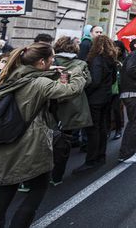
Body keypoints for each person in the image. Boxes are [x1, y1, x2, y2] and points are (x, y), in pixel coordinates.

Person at [0, 42, 86, 227]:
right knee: (38, 189)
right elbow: (71, 90)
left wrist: (49, 70)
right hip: (30, 143)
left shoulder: (11, 73)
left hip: (5, 140)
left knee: (4, 194)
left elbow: (33, 79)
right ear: (41, 61)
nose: (53, 61)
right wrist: (77, 71)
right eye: (51, 58)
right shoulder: (39, 83)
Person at [50, 37, 93, 184]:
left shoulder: (51, 62)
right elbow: (88, 82)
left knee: (43, 140)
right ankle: (57, 176)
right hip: (72, 106)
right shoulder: (80, 64)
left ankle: (36, 177)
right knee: (64, 142)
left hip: (50, 105)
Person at [73, 35, 117, 173]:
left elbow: (95, 80)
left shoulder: (97, 59)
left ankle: (91, 160)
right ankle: (100, 156)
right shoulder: (111, 59)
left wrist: (86, 90)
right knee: (102, 128)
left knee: (93, 129)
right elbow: (114, 78)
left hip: (96, 99)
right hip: (106, 96)